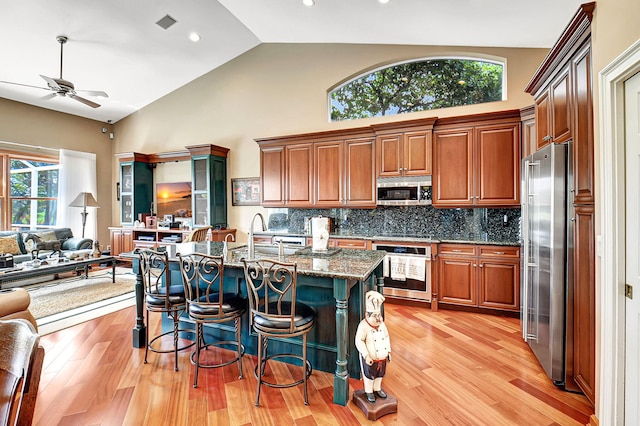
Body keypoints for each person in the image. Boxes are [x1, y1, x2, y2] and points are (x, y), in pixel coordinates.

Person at [355, 290, 391, 404]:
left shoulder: (382, 325)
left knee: (380, 375)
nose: (378, 319)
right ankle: (369, 391)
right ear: (367, 315)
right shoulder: (363, 326)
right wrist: (366, 355)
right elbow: (359, 341)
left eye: (379, 315)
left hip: (382, 358)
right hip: (370, 359)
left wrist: (388, 351)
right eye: (375, 316)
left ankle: (377, 389)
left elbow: (386, 337)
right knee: (369, 376)